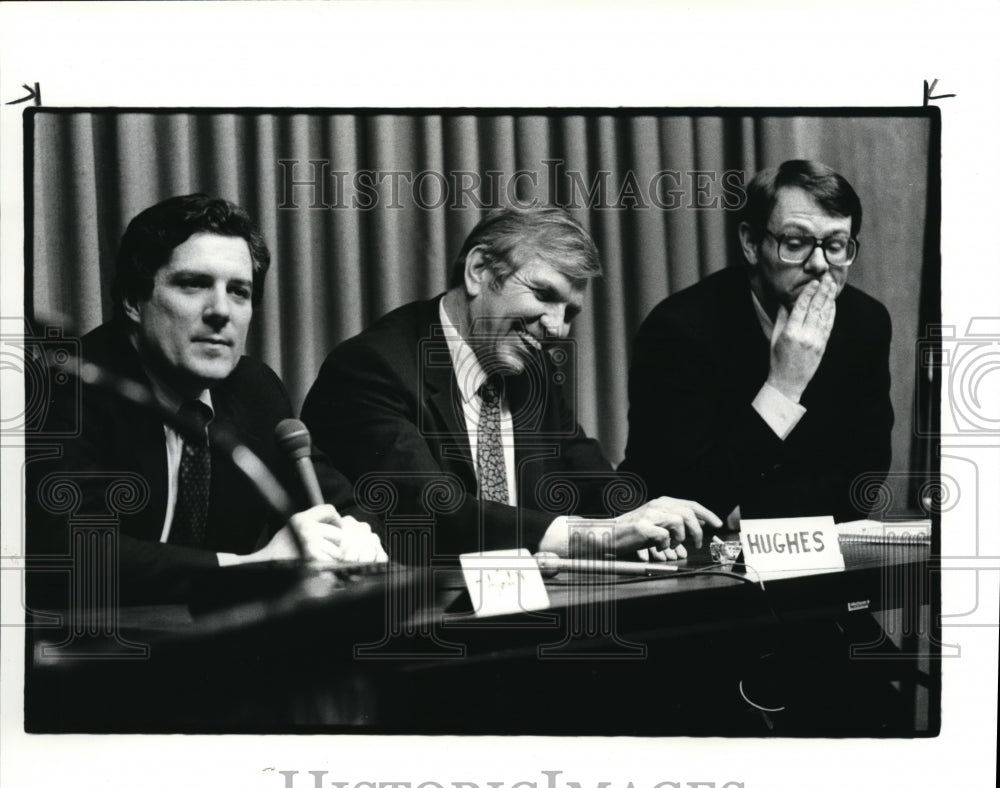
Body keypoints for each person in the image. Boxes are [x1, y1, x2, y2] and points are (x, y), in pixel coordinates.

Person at [301, 207, 721, 564]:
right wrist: (600, 536)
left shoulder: (530, 370)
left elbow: (590, 476)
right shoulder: (372, 367)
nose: (557, 328)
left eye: (570, 312)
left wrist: (648, 517)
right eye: (543, 294)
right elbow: (435, 512)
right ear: (479, 270)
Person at [27, 194, 385, 604]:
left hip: (212, 645)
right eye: (194, 284)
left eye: (239, 292)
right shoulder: (72, 385)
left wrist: (356, 535)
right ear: (132, 300)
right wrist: (248, 567)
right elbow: (70, 552)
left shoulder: (256, 389)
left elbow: (335, 503)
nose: (221, 311)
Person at [623, 160, 893, 525]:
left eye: (836, 245)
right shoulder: (677, 329)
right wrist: (783, 387)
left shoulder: (866, 322)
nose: (819, 264)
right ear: (751, 243)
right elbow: (686, 493)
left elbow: (862, 481)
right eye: (795, 243)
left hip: (817, 554)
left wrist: (748, 514)